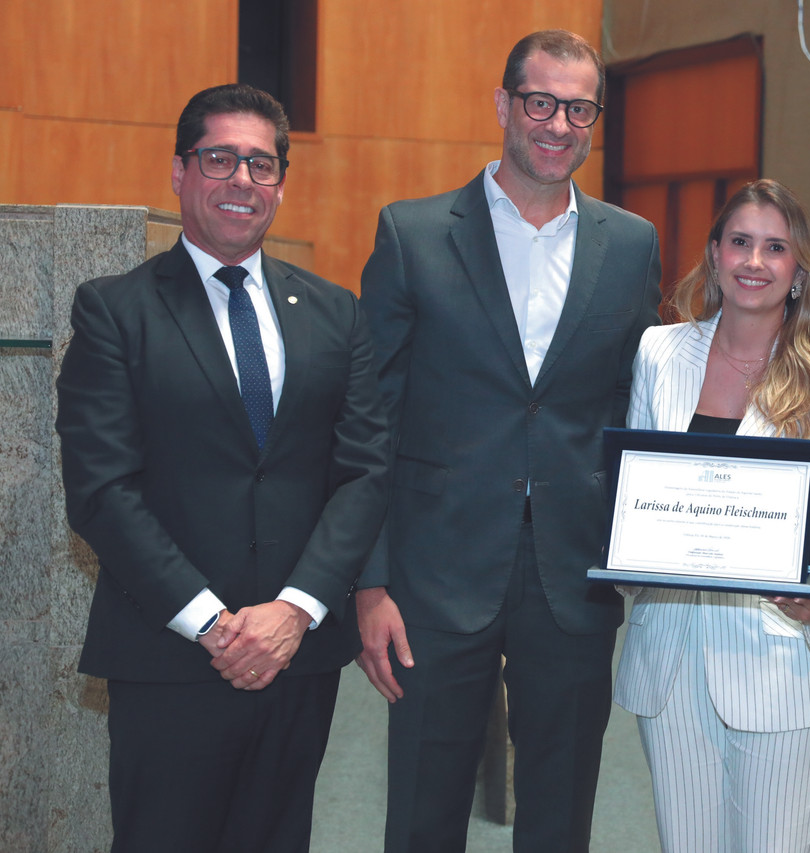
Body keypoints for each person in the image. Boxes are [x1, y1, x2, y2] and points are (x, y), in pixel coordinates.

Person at [55, 84, 389, 853]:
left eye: (261, 164)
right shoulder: (113, 310)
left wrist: (295, 610)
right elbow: (102, 490)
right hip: (169, 653)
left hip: (296, 656)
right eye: (220, 158)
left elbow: (365, 471)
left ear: (280, 182)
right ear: (179, 173)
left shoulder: (337, 314)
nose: (243, 179)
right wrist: (214, 624)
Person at [355, 29, 661, 852]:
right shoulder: (412, 234)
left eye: (579, 109)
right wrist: (370, 580)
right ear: (503, 105)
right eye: (540, 103)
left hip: (571, 577)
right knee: (424, 807)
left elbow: (636, 405)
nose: (558, 125)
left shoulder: (631, 245)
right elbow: (369, 421)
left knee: (560, 812)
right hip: (434, 573)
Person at [612, 179, 810, 852]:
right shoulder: (659, 353)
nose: (753, 261)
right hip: (669, 656)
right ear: (714, 254)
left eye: (774, 247)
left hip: (781, 658)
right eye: (739, 242)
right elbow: (634, 488)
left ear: (798, 268)